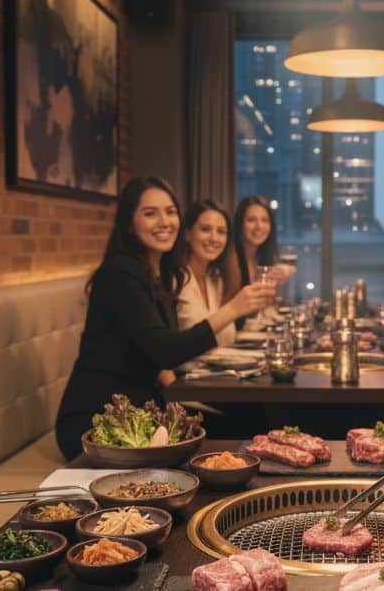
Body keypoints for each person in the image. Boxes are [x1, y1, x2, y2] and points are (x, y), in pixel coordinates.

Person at [55, 178, 273, 460]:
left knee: (253, 420)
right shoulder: (120, 274)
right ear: (129, 222)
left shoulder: (158, 275)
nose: (164, 221)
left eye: (170, 212)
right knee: (245, 429)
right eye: (150, 213)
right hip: (97, 420)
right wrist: (233, 309)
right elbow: (165, 350)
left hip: (143, 409)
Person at [177, 200, 275, 346]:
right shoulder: (175, 279)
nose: (214, 238)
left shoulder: (216, 279)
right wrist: (235, 308)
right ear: (187, 234)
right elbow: (173, 348)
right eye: (205, 229)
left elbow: (227, 337)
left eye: (221, 232)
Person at [227, 195, 294, 312]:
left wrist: (276, 281)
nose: (259, 226)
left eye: (265, 220)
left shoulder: (262, 257)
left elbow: (266, 306)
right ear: (240, 224)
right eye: (251, 220)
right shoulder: (231, 258)